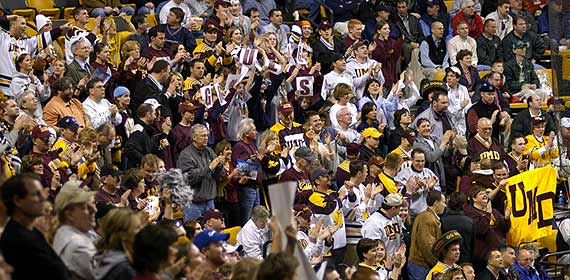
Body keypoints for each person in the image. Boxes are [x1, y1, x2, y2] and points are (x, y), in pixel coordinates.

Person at [0, 174, 71, 279]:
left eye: (41, 192)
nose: (43, 198)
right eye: (36, 194)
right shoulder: (17, 240)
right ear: (18, 201)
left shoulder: (31, 231)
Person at [177, 124, 225, 221]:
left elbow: (218, 176)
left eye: (207, 135)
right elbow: (188, 178)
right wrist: (209, 167)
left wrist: (220, 166)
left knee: (211, 234)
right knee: (194, 234)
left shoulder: (209, 151)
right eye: (203, 135)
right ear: (194, 137)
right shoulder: (185, 155)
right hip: (193, 204)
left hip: (210, 201)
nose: (206, 138)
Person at [52, 181, 98, 280]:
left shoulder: (65, 232)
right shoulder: (78, 246)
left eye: (93, 203)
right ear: (70, 215)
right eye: (85, 207)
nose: (94, 210)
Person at [465, 185, 510, 270]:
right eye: (481, 194)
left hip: (500, 252)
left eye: (485, 193)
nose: (485, 195)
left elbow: (505, 229)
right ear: (474, 198)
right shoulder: (471, 213)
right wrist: (488, 214)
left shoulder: (494, 211)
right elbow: (481, 230)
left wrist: (506, 218)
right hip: (484, 257)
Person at [92, 208, 140, 280]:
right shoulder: (125, 269)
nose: (141, 231)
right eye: (137, 228)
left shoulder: (102, 255)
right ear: (123, 234)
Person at [408, 191, 446, 280]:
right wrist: (436, 263)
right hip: (420, 265)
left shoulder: (427, 216)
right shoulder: (427, 219)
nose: (445, 205)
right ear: (436, 203)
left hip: (421, 265)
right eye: (443, 202)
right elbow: (427, 245)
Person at [398, 149, 441, 216]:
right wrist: (414, 189)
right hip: (410, 214)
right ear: (412, 160)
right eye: (418, 161)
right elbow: (399, 196)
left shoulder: (429, 173)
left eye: (423, 161)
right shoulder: (403, 174)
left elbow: (438, 192)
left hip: (427, 213)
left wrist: (431, 188)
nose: (420, 164)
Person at [442, 192, 475, 265]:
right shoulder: (470, 222)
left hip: (446, 260)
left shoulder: (442, 221)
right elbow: (473, 245)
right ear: (464, 204)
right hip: (465, 261)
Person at [445, 66, 471, 136]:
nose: (449, 78)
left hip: (462, 124)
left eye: (452, 76)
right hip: (449, 124)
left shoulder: (463, 88)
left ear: (458, 78)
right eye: (447, 76)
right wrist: (460, 106)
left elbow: (468, 105)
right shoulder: (444, 89)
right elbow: (448, 111)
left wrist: (465, 107)